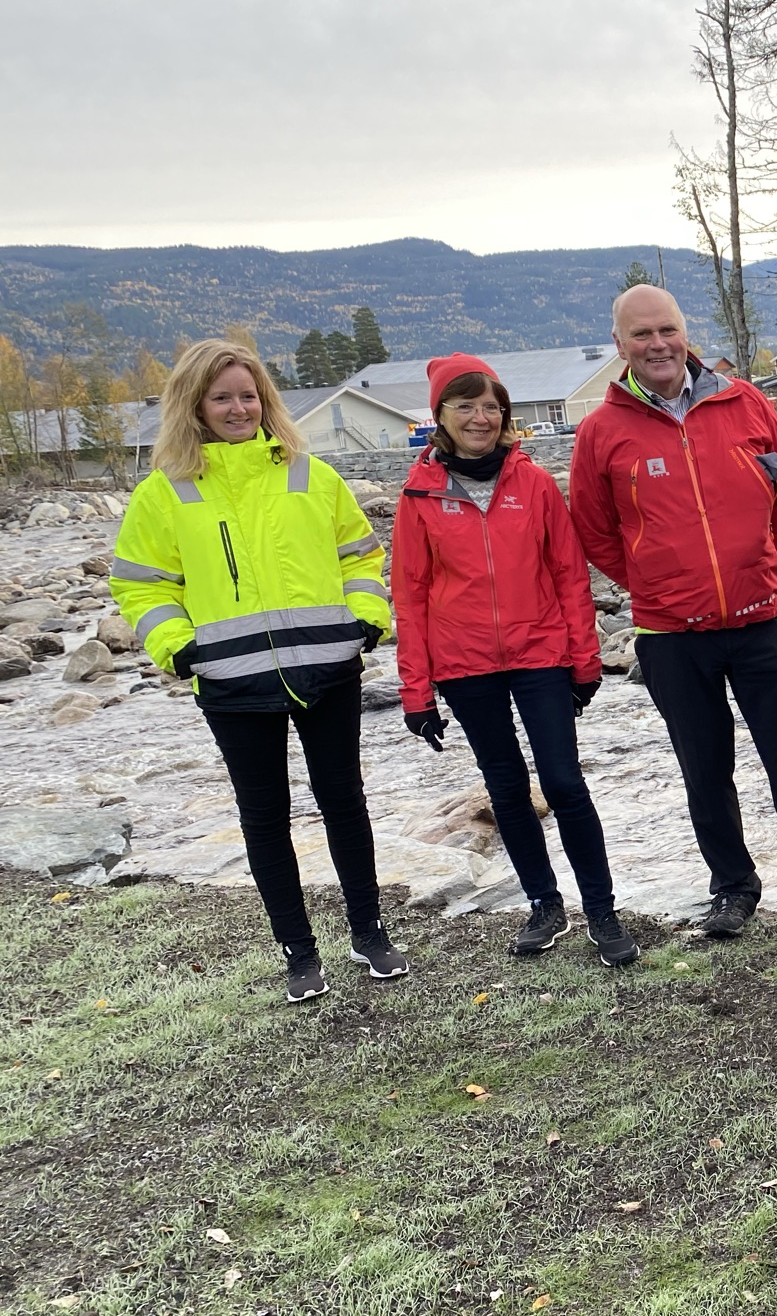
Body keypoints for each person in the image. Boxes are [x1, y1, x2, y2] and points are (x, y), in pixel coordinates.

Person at [570, 285, 777, 938]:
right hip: (672, 637)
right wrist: (654, 581)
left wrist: (756, 562)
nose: (657, 344)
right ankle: (732, 888)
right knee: (706, 772)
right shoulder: (601, 431)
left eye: (666, 329)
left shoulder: (744, 402)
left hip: (761, 623)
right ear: (620, 346)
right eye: (641, 335)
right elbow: (594, 530)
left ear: (684, 332)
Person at [111, 339, 405, 1002]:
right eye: (223, 397)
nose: (239, 408)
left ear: (264, 400)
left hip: (328, 668)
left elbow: (362, 556)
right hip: (230, 681)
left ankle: (369, 932)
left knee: (344, 803)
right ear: (196, 405)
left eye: (248, 395)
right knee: (264, 815)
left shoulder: (311, 475)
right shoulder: (165, 494)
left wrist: (364, 618)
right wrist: (179, 649)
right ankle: (299, 953)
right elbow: (140, 587)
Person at [392, 354, 637, 967]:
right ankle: (543, 904)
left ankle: (602, 912)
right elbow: (411, 596)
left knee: (562, 782)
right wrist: (416, 694)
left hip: (539, 654)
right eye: (465, 405)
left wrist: (585, 661)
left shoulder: (532, 484)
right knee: (505, 788)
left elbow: (568, 575)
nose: (481, 417)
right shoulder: (419, 495)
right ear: (440, 415)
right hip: (464, 664)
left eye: (491, 406)